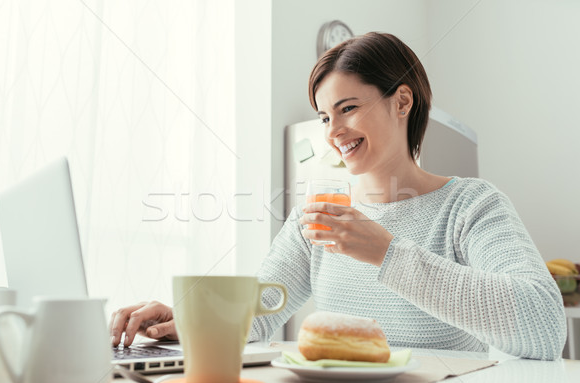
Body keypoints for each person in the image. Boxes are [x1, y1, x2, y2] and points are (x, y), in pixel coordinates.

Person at [110, 32, 566, 360]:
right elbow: (261, 313)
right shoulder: (318, 216)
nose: (334, 132)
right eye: (326, 117)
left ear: (402, 101)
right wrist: (187, 319)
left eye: (348, 108)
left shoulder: (471, 206)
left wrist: (387, 253)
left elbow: (544, 328)